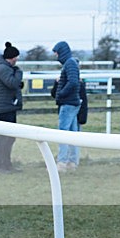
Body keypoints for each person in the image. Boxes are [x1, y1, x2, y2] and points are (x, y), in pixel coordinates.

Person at [0, 41, 23, 173]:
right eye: (16, 57)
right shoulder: (3, 69)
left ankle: (6, 164)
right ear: (12, 57)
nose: (17, 60)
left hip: (7, 107)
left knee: (9, 138)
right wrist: (18, 73)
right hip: (4, 108)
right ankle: (0, 166)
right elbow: (12, 83)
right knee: (3, 138)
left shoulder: (3, 68)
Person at [52, 40, 81, 171]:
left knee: (63, 133)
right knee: (73, 134)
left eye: (56, 53)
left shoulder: (69, 63)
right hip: (73, 102)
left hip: (68, 103)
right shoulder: (72, 63)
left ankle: (62, 163)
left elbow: (73, 82)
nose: (55, 56)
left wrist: (61, 93)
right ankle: (72, 162)